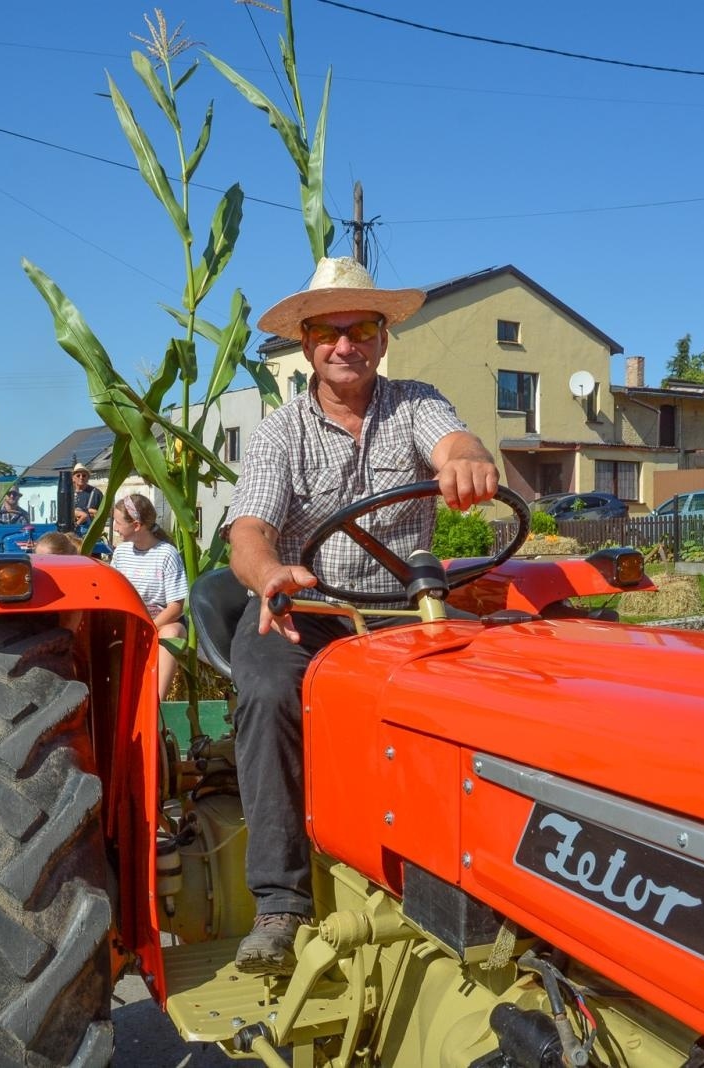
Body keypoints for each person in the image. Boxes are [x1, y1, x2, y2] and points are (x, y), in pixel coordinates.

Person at [224, 257, 499, 974]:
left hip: (408, 612)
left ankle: (489, 873)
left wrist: (467, 458)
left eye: (361, 328)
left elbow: (454, 441)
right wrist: (270, 573)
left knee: (500, 686)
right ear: (306, 342)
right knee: (266, 686)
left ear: (382, 336)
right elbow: (248, 531)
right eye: (326, 331)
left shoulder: (415, 403)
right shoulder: (281, 431)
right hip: (310, 608)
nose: (344, 345)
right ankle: (281, 901)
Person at [110, 494, 187, 703]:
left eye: (117, 522)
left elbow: (176, 607)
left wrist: (149, 626)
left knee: (172, 633)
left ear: (136, 525)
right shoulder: (121, 553)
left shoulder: (166, 554)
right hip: (131, 617)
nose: (115, 527)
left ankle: (156, 704)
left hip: (161, 620)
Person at [70, 463, 103, 528]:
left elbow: (104, 513)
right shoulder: (69, 494)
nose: (81, 477)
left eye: (84, 475)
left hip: (92, 531)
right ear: (73, 478)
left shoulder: (96, 493)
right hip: (73, 532)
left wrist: (94, 513)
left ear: (88, 478)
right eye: (78, 475)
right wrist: (89, 511)